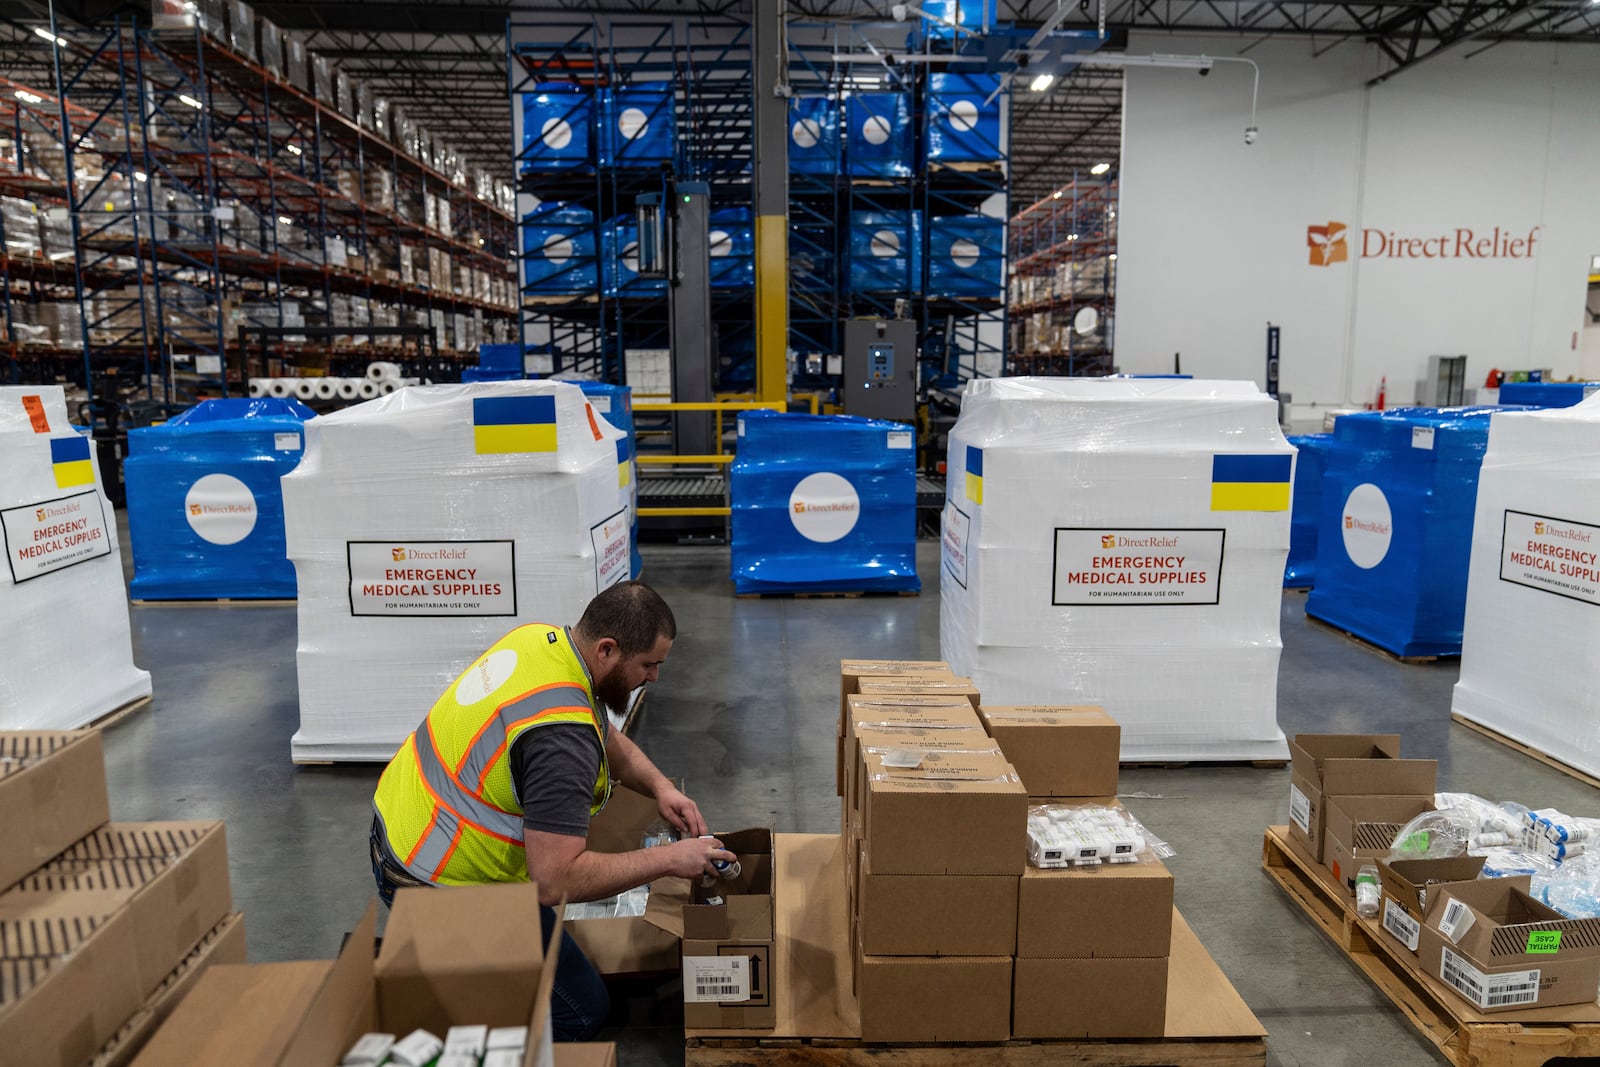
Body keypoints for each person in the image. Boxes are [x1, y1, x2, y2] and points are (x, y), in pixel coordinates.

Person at [369, 580, 733, 1041]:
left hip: (402, 826)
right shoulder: (561, 743)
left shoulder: (542, 643)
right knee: (581, 1011)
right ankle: (469, 1027)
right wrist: (671, 861)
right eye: (649, 665)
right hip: (435, 883)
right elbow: (555, 880)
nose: (654, 679)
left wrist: (660, 788)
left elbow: (600, 727)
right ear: (607, 650)